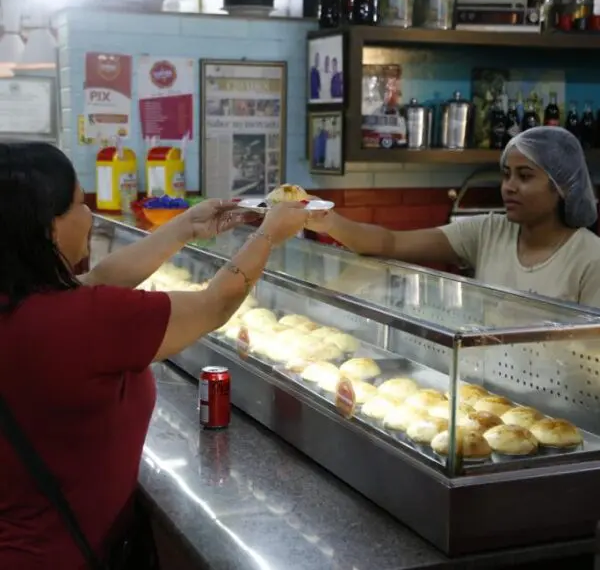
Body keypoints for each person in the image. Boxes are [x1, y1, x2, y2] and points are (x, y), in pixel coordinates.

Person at [0, 142, 308, 569]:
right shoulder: (83, 320)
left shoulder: (23, 302)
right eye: (78, 204)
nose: (89, 213)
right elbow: (214, 304)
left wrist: (184, 227)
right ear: (46, 228)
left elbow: (104, 275)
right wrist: (268, 235)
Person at [307, 126, 600, 307]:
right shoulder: (487, 232)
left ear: (562, 186)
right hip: (490, 395)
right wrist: (327, 220)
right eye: (506, 175)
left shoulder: (590, 258)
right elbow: (390, 243)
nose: (509, 186)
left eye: (524, 176)